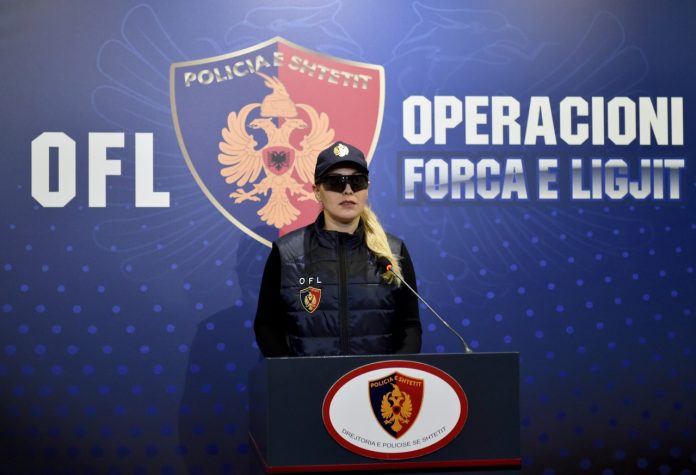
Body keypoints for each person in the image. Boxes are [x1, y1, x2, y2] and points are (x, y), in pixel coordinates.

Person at [254, 141, 422, 357]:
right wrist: (291, 372)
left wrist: (392, 372)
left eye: (357, 181)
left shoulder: (393, 252)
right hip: (309, 379)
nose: (348, 190)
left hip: (375, 379)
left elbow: (410, 327)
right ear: (317, 191)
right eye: (335, 182)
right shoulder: (287, 253)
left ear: (367, 188)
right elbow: (267, 326)